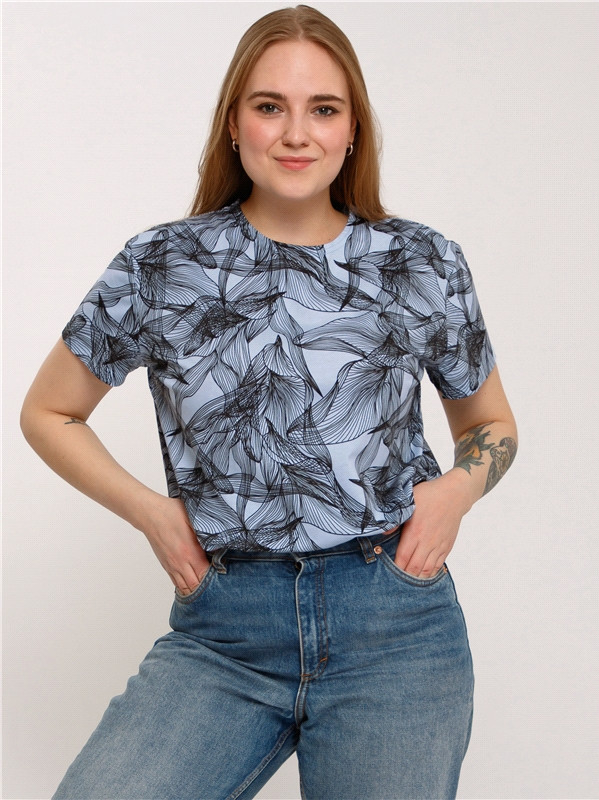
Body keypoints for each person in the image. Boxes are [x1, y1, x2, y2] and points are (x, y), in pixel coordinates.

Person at [20, 5, 517, 799]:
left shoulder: (420, 262)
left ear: (352, 130)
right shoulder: (162, 264)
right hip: (225, 631)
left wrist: (454, 492)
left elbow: (490, 424)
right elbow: (49, 413)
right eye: (268, 106)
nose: (295, 134)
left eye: (322, 109)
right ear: (233, 123)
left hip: (393, 627)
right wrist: (154, 514)